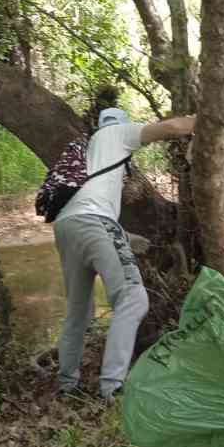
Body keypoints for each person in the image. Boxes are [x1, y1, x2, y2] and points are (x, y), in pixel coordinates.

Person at [53, 107, 196, 401]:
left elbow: (87, 210)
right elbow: (172, 127)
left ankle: (67, 386)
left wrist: (127, 238)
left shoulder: (89, 149)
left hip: (67, 227)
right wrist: (207, 118)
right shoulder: (115, 133)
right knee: (133, 298)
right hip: (94, 224)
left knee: (79, 312)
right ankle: (113, 387)